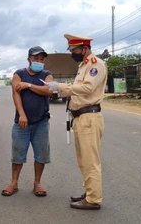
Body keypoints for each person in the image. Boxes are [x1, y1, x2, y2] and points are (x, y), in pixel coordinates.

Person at [47, 34, 107, 210]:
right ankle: (90, 192)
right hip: (80, 117)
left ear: (85, 48)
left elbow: (88, 88)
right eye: (71, 50)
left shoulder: (96, 64)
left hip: (89, 117)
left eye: (74, 50)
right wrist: (58, 89)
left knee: (90, 161)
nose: (72, 53)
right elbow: (74, 89)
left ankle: (93, 199)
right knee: (83, 161)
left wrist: (61, 87)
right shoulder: (83, 66)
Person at [1, 46, 54, 197]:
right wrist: (22, 114)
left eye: (41, 59)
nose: (39, 61)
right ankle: (14, 183)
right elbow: (15, 94)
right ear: (29, 59)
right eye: (36, 58)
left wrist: (28, 85)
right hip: (21, 123)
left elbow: (48, 91)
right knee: (18, 154)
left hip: (41, 122)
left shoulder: (47, 74)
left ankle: (37, 183)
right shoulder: (19, 74)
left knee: (41, 155)